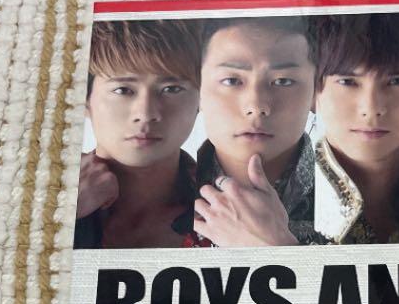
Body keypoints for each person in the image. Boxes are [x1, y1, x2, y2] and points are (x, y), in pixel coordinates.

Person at [75, 20, 210, 249]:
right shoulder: (40, 194)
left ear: (201, 101)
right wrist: (62, 212)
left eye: (171, 89)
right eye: (123, 90)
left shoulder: (228, 211)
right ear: (86, 101)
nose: (146, 114)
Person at [190, 16, 319, 246]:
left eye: (283, 81)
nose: (257, 106)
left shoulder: (360, 197)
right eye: (231, 81)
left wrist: (275, 246)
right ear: (197, 90)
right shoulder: (160, 196)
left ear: (316, 91)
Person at [312, 13, 399, 243]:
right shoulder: (280, 208)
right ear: (312, 90)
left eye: (397, 81)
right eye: (348, 82)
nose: (371, 108)